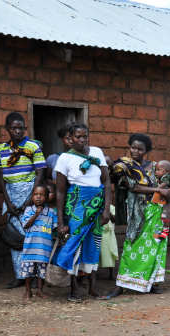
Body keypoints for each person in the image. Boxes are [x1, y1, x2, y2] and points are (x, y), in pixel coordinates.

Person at [101, 133, 170, 299]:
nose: (135, 151)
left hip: (156, 213)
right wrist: (157, 190)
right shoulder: (125, 166)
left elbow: (169, 184)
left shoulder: (156, 167)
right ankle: (121, 285)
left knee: (155, 247)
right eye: (133, 147)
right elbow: (132, 187)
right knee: (130, 246)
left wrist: (165, 193)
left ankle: (152, 283)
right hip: (137, 214)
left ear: (146, 150)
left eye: (140, 149)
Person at [53, 123, 111, 302]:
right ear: (70, 139)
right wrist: (61, 222)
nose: (83, 140)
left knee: (94, 244)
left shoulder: (97, 152)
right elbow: (60, 191)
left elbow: (107, 183)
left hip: (97, 204)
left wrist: (107, 209)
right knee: (74, 246)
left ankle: (93, 289)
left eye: (85, 136)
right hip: (77, 206)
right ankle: (73, 290)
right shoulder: (65, 158)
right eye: (78, 137)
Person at [0, 112, 46, 289]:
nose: (17, 131)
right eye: (13, 128)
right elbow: (1, 177)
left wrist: (30, 201)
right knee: (15, 237)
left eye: (20, 128)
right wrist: (9, 203)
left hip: (30, 194)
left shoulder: (32, 146)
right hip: (11, 195)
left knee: (32, 236)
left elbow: (40, 172)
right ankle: (20, 276)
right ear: (7, 129)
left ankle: (34, 276)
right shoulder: (1, 149)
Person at [19, 185, 57, 299]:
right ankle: (28, 290)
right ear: (32, 197)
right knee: (28, 271)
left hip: (44, 249)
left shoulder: (51, 212)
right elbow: (25, 225)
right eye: (36, 194)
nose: (38, 197)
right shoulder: (28, 210)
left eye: (42, 195)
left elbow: (55, 228)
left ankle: (40, 291)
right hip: (30, 248)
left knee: (42, 271)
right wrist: (36, 214)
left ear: (47, 197)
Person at [152, 160, 170, 240]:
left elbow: (163, 185)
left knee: (164, 216)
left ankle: (165, 231)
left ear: (164, 171)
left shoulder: (166, 178)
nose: (156, 172)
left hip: (169, 203)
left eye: (158, 170)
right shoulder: (164, 177)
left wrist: (156, 189)